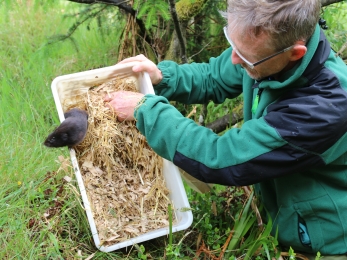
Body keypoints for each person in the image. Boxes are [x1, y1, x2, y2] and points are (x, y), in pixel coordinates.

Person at [104, 0, 347, 258]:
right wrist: (162, 78)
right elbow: (213, 76)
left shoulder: (325, 109)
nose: (234, 59)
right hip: (286, 217)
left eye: (244, 57)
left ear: (295, 53)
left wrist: (147, 111)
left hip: (327, 242)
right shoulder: (265, 51)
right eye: (233, 44)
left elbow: (222, 158)